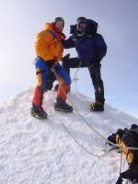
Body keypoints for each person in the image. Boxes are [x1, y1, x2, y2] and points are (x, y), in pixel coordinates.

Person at [62, 17, 107, 112]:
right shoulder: (75, 37)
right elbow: (64, 44)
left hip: (93, 60)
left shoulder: (95, 36)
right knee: (66, 63)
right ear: (77, 25)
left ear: (87, 25)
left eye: (83, 24)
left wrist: (97, 59)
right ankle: (66, 86)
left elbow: (103, 48)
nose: (81, 26)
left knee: (96, 80)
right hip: (81, 60)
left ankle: (99, 103)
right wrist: (57, 38)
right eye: (80, 25)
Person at [31, 17, 73, 120]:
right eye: (59, 23)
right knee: (42, 83)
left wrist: (62, 59)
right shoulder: (47, 32)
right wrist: (49, 60)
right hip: (42, 60)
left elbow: (55, 52)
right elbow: (39, 46)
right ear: (54, 23)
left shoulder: (59, 40)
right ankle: (35, 107)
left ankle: (60, 102)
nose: (60, 26)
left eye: (62, 25)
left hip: (54, 63)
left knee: (66, 80)